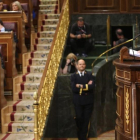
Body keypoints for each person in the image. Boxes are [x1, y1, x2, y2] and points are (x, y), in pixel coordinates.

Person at [71, 59, 94, 140]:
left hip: (88, 101)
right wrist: (86, 86)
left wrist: (80, 86)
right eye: (80, 64)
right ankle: (80, 136)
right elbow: (74, 89)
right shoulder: (73, 76)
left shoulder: (89, 75)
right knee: (79, 118)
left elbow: (92, 87)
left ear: (85, 65)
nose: (82, 66)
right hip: (78, 101)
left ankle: (83, 137)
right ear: (77, 66)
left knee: (86, 119)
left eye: (83, 64)